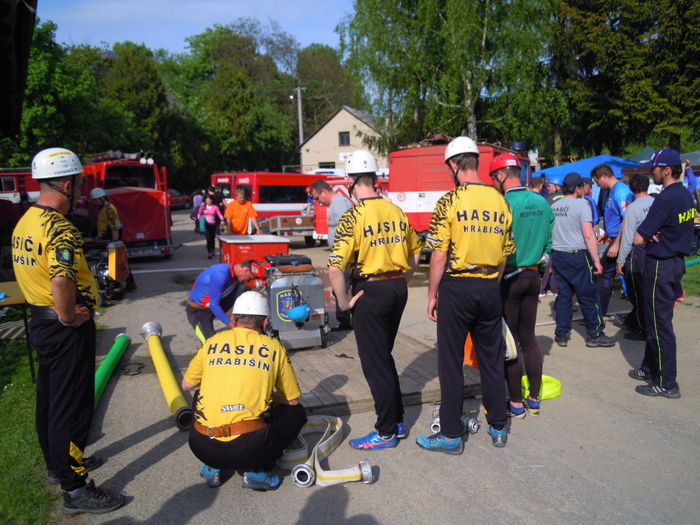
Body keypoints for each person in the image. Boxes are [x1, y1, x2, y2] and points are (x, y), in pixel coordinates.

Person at [12, 148, 124, 515]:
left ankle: (56, 465)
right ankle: (75, 489)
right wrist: (68, 315)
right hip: (64, 329)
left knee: (50, 401)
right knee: (71, 406)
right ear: (66, 183)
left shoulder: (26, 221)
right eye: (78, 183)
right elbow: (61, 279)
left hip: (40, 322)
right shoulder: (59, 227)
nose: (79, 189)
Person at [417, 137, 514, 453]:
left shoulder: (450, 201)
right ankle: (498, 426)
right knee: (491, 359)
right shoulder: (500, 200)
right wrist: (491, 282)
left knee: (450, 361)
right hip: (489, 285)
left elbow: (439, 254)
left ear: (453, 164)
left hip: (457, 287)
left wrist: (432, 294)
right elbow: (504, 255)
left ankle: (450, 435)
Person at [328, 149, 422, 451]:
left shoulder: (353, 216)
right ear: (373, 178)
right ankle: (396, 421)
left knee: (374, 363)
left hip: (371, 292)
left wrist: (344, 303)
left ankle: (385, 432)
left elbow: (335, 268)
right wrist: (402, 281)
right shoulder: (395, 210)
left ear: (351, 181)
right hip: (396, 288)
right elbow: (416, 251)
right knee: (384, 356)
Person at [182, 291, 307, 490]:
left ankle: (213, 467)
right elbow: (292, 400)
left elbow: (187, 385)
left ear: (233, 319)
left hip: (202, 446)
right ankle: (257, 470)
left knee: (200, 393)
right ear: (265, 322)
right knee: (296, 413)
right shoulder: (273, 346)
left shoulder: (213, 341)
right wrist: (267, 397)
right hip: (249, 449)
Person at [489, 153, 554, 419]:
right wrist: (540, 274)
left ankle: (516, 404)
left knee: (511, 341)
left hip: (510, 279)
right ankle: (534, 399)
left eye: (494, 178)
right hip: (533, 277)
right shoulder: (541, 201)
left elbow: (497, 247)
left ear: (501, 175)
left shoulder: (503, 203)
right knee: (529, 338)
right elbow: (548, 244)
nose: (493, 183)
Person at [631, 148, 694, 399]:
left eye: (655, 168)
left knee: (659, 325)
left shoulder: (666, 197)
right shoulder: (685, 194)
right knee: (655, 320)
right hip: (674, 263)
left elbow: (638, 238)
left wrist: (649, 235)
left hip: (661, 265)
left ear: (667, 170)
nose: (651, 172)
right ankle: (649, 368)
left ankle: (667, 383)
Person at [550, 172, 616, 348]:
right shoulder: (582, 204)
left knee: (564, 295)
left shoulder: (554, 206)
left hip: (559, 255)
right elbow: (588, 235)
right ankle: (595, 333)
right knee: (588, 295)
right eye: (583, 187)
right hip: (577, 255)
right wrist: (596, 260)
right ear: (577, 188)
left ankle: (561, 334)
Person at [310, 179, 354, 331]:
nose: (317, 201)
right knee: (339, 288)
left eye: (317, 197)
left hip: (345, 257)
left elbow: (348, 230)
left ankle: (346, 321)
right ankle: (345, 320)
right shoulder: (335, 204)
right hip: (340, 255)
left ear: (324, 192)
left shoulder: (340, 204)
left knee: (342, 288)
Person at [614, 173, 654, 341]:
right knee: (649, 293)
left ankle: (640, 328)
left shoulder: (633, 208)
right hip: (655, 252)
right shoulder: (656, 203)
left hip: (638, 253)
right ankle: (640, 323)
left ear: (631, 188)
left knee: (637, 294)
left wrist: (620, 261)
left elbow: (628, 237)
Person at [591, 163, 634, 316]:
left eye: (597, 181)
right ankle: (600, 313)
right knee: (607, 273)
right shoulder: (613, 191)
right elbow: (615, 218)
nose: (597, 185)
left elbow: (627, 219)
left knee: (607, 273)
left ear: (604, 177)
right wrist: (607, 234)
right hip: (615, 237)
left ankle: (599, 313)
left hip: (622, 240)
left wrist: (616, 243)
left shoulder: (621, 191)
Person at [186, 260, 256, 344]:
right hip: (198, 312)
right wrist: (230, 324)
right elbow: (213, 304)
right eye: (250, 278)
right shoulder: (221, 275)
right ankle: (234, 325)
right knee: (211, 344)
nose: (248, 280)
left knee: (244, 287)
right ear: (245, 270)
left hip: (214, 305)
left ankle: (244, 321)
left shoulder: (234, 272)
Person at [89, 187, 137, 292]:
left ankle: (125, 283)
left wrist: (114, 244)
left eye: (96, 200)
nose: (95, 202)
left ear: (102, 198)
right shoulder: (103, 209)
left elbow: (114, 227)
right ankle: (129, 283)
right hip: (105, 238)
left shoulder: (109, 209)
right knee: (119, 262)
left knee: (117, 263)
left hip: (110, 239)